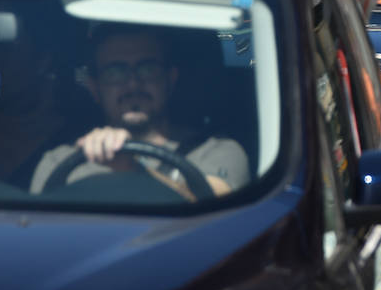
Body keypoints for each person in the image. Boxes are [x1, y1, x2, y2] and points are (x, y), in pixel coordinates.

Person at [30, 25, 248, 199]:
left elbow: (217, 211)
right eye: (116, 72)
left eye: (147, 69)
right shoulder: (60, 161)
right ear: (95, 89)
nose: (133, 84)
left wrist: (131, 169)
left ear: (170, 80)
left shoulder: (216, 151)